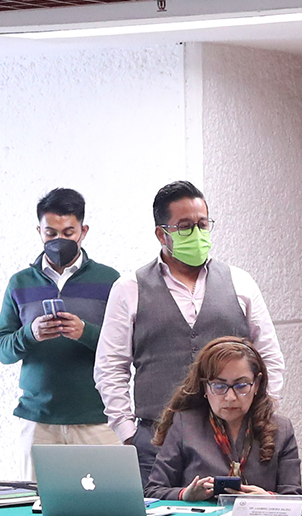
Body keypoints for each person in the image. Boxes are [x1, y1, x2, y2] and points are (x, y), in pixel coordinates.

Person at [93, 180, 286, 470]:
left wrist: (262, 413)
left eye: (202, 224)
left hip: (231, 438)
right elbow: (110, 366)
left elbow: (269, 356)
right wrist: (127, 432)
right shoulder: (129, 288)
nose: (196, 233)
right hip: (155, 441)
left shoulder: (240, 282)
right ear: (162, 234)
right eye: (185, 227)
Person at [0, 186, 122, 461]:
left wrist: (85, 333)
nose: (59, 240)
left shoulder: (110, 280)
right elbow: (2, 349)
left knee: (107, 491)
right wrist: (30, 334)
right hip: (37, 420)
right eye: (51, 233)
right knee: (34, 492)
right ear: (39, 231)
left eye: (68, 233)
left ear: (83, 231)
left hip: (97, 418)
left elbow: (127, 346)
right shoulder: (20, 282)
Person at [146, 337, 302, 500]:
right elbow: (153, 491)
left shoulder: (281, 429)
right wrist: (184, 495)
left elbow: (295, 497)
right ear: (205, 387)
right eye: (219, 386)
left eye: (241, 386)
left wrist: (269, 499)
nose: (230, 397)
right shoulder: (185, 424)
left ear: (256, 384)